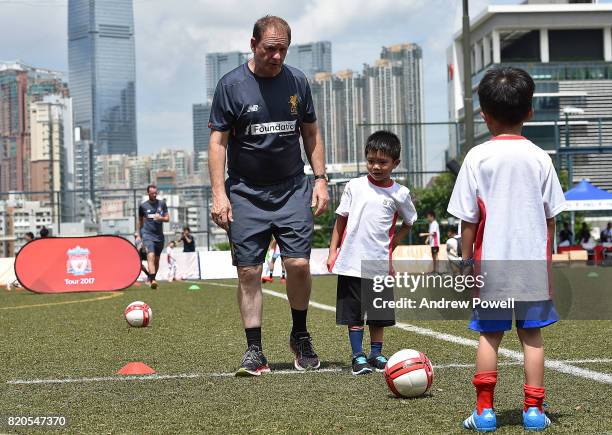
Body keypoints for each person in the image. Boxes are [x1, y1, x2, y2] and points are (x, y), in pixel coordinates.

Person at [208, 15, 329, 376]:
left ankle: (301, 334)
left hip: (292, 187)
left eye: (282, 50)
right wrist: (219, 194)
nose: (276, 57)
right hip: (245, 192)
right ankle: (254, 350)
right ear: (253, 44)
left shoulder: (297, 82)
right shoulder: (231, 85)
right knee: (249, 271)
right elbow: (217, 142)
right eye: (270, 49)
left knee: (298, 264)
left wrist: (320, 179)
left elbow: (311, 132)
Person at [448, 67, 566, 432]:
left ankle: (484, 412)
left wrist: (467, 263)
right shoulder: (541, 158)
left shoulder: (476, 157)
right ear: (529, 111)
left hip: (492, 267)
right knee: (532, 337)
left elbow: (468, 222)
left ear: (484, 114)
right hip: (531, 265)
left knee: (489, 336)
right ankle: (534, 411)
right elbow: (551, 219)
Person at [327, 131, 417, 375]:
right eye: (371, 160)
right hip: (351, 261)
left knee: (379, 312)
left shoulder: (400, 193)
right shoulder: (354, 186)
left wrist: (392, 245)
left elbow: (409, 222)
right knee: (354, 314)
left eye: (383, 162)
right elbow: (341, 219)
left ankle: (376, 353)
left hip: (378, 263)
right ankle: (358, 356)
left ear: (395, 163)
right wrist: (333, 250)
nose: (376, 166)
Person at [136, 184, 169, 289]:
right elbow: (140, 221)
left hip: (159, 236)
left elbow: (167, 218)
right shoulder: (143, 206)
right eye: (152, 193)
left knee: (157, 260)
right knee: (151, 255)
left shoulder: (162, 204)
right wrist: (138, 235)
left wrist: (161, 218)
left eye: (156, 193)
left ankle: (151, 279)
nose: (154, 195)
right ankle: (153, 280)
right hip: (147, 234)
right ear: (148, 193)